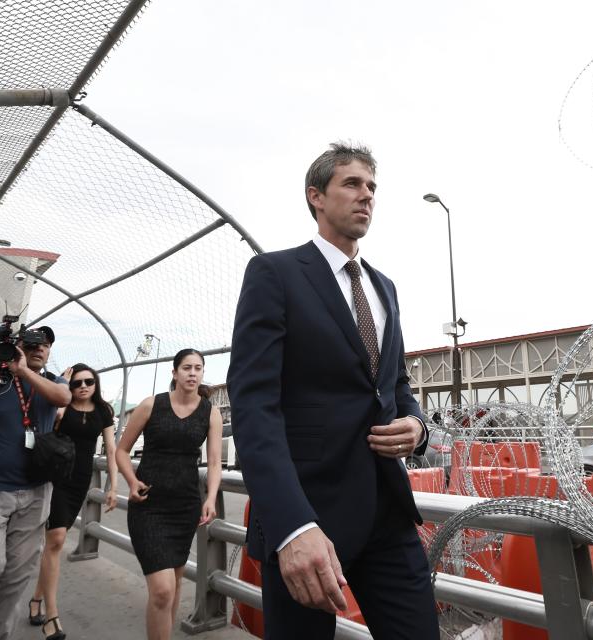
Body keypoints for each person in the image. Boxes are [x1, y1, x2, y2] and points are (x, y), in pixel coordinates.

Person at [228, 142, 438, 639]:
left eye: (372, 187)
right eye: (352, 184)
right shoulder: (275, 274)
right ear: (316, 197)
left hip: (387, 513)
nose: (366, 196)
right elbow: (255, 405)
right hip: (308, 517)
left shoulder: (385, 288)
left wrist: (417, 426)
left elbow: (397, 387)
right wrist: (291, 527)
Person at [0, 327, 70, 640]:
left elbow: (63, 398)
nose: (40, 350)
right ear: (16, 347)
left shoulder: (52, 381)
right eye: (32, 345)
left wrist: (23, 370)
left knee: (17, 575)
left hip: (36, 492)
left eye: (46, 345)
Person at [115, 349, 222, 640]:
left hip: (185, 507)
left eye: (198, 368)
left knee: (172, 586)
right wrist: (131, 480)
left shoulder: (210, 413)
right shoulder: (152, 405)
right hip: (148, 506)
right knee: (162, 590)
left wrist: (210, 498)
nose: (192, 373)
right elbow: (121, 450)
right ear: (174, 373)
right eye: (186, 367)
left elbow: (214, 463)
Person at [30, 363, 118, 639]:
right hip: (56, 478)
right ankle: (52, 617)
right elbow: (48, 424)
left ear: (96, 384)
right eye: (77, 383)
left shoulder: (103, 411)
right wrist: (60, 386)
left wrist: (112, 486)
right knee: (55, 539)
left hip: (80, 482)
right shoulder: (63, 407)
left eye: (88, 382)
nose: (82, 386)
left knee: (53, 544)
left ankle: (36, 599)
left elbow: (112, 450)